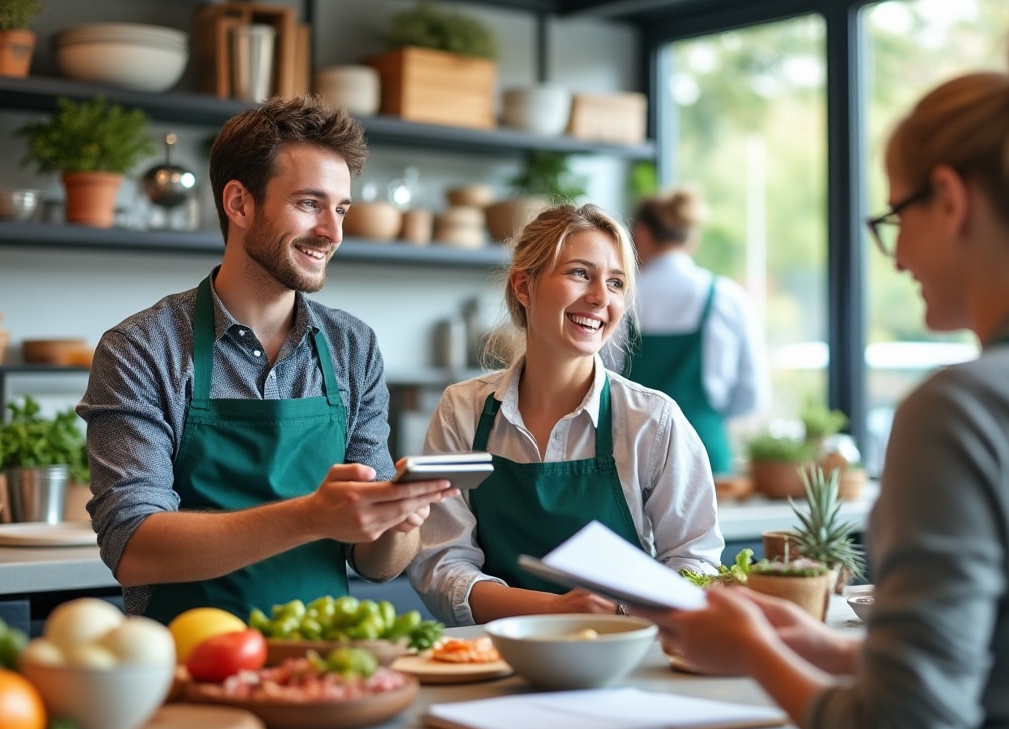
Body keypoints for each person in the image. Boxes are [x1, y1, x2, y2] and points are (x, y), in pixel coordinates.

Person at [633, 4, 1009, 729]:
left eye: (893, 216)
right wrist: (834, 651)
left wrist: (752, 654)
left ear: (950, 199)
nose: (896, 253)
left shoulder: (960, 414)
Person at [77, 95, 459, 623]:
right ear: (239, 203)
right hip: (192, 667)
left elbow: (376, 566)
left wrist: (400, 520)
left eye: (341, 208)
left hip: (323, 662)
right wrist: (309, 516)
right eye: (309, 204)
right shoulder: (143, 349)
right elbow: (134, 548)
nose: (333, 232)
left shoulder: (353, 347)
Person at [407, 203, 725, 627]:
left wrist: (616, 613)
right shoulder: (462, 412)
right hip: (497, 660)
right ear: (524, 286)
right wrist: (554, 611)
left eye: (616, 283)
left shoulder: (652, 421)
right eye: (580, 273)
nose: (600, 298)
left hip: (621, 655)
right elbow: (441, 565)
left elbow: (695, 567)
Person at [617, 185, 763, 476]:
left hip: (631, 456)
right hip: (705, 453)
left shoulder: (620, 299)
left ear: (641, 235)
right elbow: (752, 394)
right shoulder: (725, 297)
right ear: (691, 239)